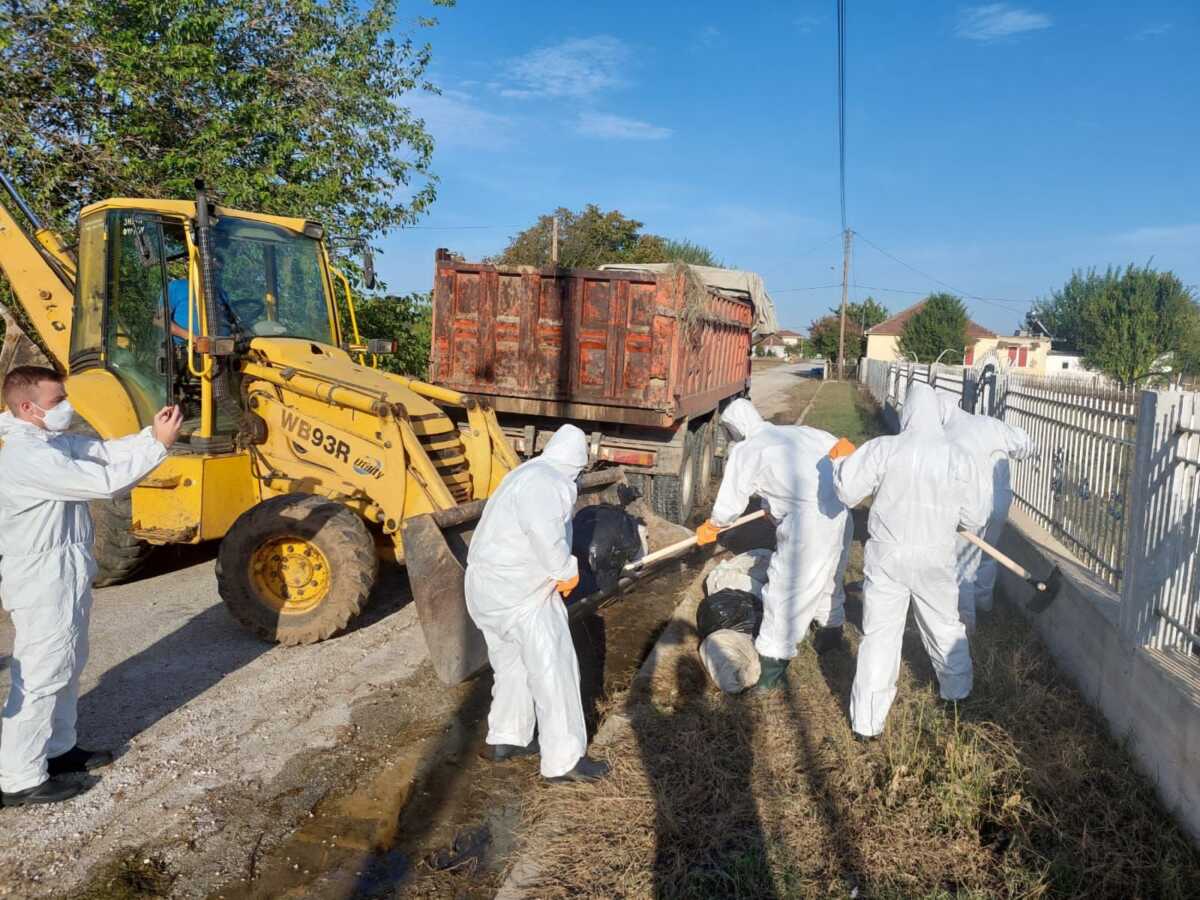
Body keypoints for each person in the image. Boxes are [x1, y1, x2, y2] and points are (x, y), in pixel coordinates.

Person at [0, 366, 182, 807]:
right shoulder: (27, 454)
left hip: (64, 568)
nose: (66, 407)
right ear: (27, 407)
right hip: (41, 576)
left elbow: (102, 453)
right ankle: (19, 777)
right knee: (42, 672)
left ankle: (59, 750)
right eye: (57, 400)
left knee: (67, 661)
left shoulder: (49, 440)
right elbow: (104, 482)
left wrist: (149, 435)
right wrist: (158, 448)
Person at [831, 382, 987, 740]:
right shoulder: (958, 456)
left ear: (908, 414)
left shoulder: (885, 448)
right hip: (936, 556)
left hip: (888, 556)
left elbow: (847, 491)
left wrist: (841, 460)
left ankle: (867, 724)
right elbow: (975, 517)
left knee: (880, 635)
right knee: (945, 626)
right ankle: (957, 694)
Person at [464, 424, 609, 784]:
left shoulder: (524, 473)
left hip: (486, 590)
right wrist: (565, 571)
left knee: (510, 664)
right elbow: (544, 534)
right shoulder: (551, 482)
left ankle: (506, 738)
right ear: (578, 460)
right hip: (521, 593)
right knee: (554, 669)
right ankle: (564, 760)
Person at [695, 399, 854, 690]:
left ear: (735, 430)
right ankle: (831, 634)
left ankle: (771, 670)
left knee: (785, 590)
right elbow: (844, 452)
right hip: (840, 511)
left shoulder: (747, 449)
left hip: (808, 524)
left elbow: (731, 501)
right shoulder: (797, 433)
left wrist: (714, 524)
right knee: (830, 576)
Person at [937, 393, 1036, 633]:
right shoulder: (989, 424)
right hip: (1000, 504)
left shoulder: (945, 435)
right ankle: (984, 606)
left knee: (963, 564)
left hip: (970, 507)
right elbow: (1024, 445)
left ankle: (965, 624)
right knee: (988, 555)